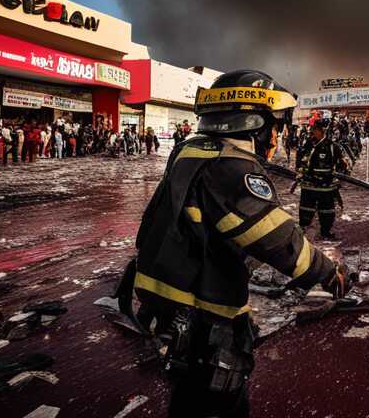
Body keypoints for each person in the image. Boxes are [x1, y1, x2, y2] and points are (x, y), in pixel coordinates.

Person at [117, 69, 349, 417]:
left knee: (188, 399)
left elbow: (210, 222)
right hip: (204, 310)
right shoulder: (233, 167)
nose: (277, 136)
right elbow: (277, 240)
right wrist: (328, 272)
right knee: (221, 403)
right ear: (254, 122)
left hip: (168, 296)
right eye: (275, 125)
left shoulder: (190, 151)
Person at [296, 118, 348, 240]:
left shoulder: (333, 147)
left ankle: (325, 232)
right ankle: (303, 231)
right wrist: (301, 174)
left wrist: (335, 177)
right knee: (305, 209)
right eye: (312, 130)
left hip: (326, 187)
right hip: (308, 185)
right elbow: (300, 161)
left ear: (322, 131)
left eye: (315, 130)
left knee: (327, 211)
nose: (313, 132)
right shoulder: (308, 144)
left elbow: (344, 164)